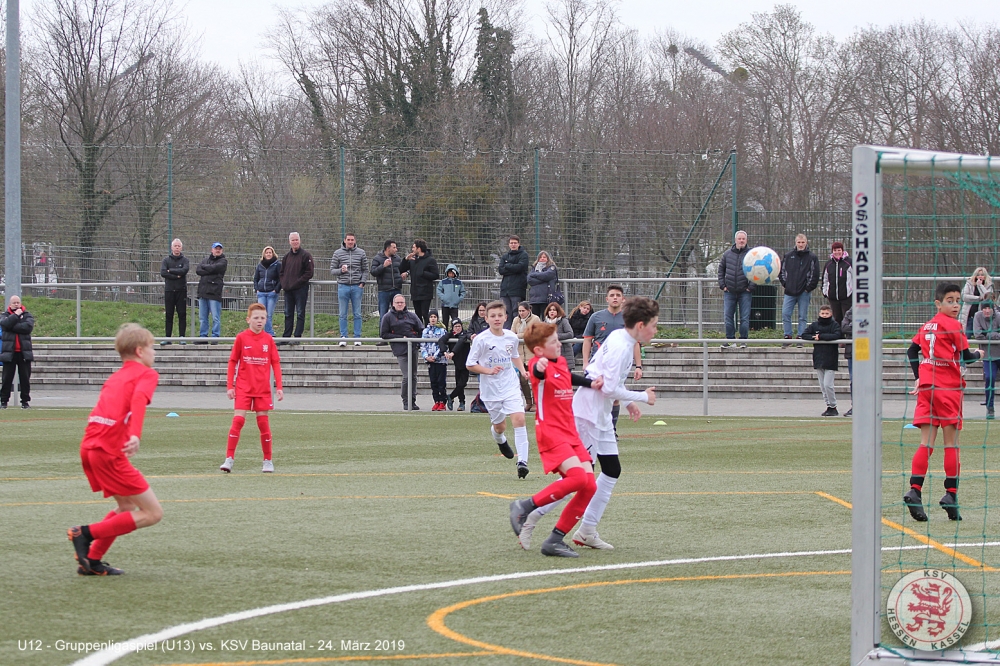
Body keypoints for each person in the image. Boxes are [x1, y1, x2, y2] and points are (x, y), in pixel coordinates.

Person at [528, 297, 659, 550]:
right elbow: (607, 387)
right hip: (588, 413)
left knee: (611, 470)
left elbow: (605, 376)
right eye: (654, 325)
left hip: (601, 414)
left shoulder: (620, 337)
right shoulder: (621, 347)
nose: (655, 330)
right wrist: (642, 397)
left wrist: (627, 402)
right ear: (641, 325)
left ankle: (587, 529)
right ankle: (533, 513)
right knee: (580, 477)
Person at [67, 324, 162, 576]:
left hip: (90, 448)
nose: (154, 352)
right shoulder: (146, 374)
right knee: (153, 513)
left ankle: (92, 560)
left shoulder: (115, 377)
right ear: (140, 351)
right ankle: (84, 533)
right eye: (152, 347)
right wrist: (135, 435)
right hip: (108, 451)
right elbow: (138, 400)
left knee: (127, 506)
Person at [508, 322, 603, 557]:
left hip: (570, 432)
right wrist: (540, 366)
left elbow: (567, 377)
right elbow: (538, 373)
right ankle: (525, 506)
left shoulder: (559, 361)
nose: (559, 344)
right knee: (577, 477)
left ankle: (555, 539)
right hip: (551, 432)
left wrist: (591, 383)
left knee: (589, 486)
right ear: (539, 350)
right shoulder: (536, 364)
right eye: (553, 342)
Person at [902, 283, 983, 523]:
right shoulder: (954, 325)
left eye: (958, 300)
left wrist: (918, 377)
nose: (955, 305)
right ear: (938, 303)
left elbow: (911, 351)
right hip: (947, 388)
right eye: (950, 300)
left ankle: (915, 490)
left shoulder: (927, 325)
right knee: (951, 445)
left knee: (926, 443)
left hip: (927, 387)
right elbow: (967, 357)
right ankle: (951, 494)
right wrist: (978, 354)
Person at [466, 300, 531, 477]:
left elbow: (514, 356)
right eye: (493, 316)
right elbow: (470, 364)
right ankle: (500, 439)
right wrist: (488, 370)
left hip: (510, 385)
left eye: (500, 315)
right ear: (486, 318)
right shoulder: (481, 340)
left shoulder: (511, 337)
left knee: (519, 419)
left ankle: (522, 462)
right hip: (491, 390)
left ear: (505, 317)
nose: (497, 318)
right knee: (500, 426)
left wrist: (523, 371)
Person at [220, 303, 284, 472]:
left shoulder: (268, 339)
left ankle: (267, 461)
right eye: (256, 318)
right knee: (238, 420)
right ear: (248, 319)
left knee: (263, 423)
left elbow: (276, 363)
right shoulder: (241, 338)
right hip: (243, 387)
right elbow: (232, 361)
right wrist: (230, 386)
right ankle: (229, 459)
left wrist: (279, 386)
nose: (259, 321)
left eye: (263, 318)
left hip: (262, 389)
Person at [582, 284, 644, 430]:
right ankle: (595, 427)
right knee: (596, 396)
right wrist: (585, 362)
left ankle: (611, 429)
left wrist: (638, 366)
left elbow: (635, 343)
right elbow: (587, 340)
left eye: (618, 295)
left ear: (623, 299)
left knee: (615, 397)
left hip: (619, 365)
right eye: (612, 295)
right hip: (598, 364)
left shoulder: (629, 319)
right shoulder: (596, 317)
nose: (615, 298)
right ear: (607, 299)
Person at [381, 294, 424, 410]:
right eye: (397, 302)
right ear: (393, 304)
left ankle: (412, 400)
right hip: (400, 350)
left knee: (413, 376)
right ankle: (406, 400)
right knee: (407, 376)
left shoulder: (412, 316)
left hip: (413, 348)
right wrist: (400, 337)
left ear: (405, 303)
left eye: (401, 302)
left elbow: (421, 329)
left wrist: (417, 342)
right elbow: (384, 334)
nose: (400, 304)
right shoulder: (387, 317)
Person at [801, 304, 842, 416]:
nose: (824, 315)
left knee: (828, 385)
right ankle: (828, 406)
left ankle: (833, 406)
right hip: (818, 357)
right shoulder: (815, 325)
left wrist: (821, 336)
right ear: (819, 314)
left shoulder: (834, 325)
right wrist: (814, 337)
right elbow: (804, 334)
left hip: (831, 358)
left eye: (827, 313)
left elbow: (837, 335)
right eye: (822, 313)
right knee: (823, 386)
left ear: (831, 314)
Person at [779, 233, 819, 346]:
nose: (801, 244)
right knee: (785, 314)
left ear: (806, 242)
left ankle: (801, 337)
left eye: (803, 242)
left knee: (802, 316)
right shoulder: (788, 256)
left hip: (804, 292)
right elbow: (781, 271)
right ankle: (788, 336)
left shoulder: (812, 257)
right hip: (789, 292)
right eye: (799, 242)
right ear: (795, 243)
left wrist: (808, 288)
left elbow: (815, 274)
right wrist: (786, 284)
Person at [717, 230, 753, 349]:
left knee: (744, 318)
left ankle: (743, 340)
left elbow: (757, 270)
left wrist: (751, 287)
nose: (741, 241)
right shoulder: (727, 254)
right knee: (728, 317)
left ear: (746, 240)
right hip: (729, 291)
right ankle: (730, 339)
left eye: (743, 239)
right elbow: (721, 270)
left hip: (745, 292)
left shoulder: (751, 254)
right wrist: (723, 285)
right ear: (735, 240)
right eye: (739, 239)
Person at [331, 232, 368, 346]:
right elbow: (332, 270)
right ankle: (343, 337)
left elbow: (365, 270)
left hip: (357, 286)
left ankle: (357, 337)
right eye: (348, 240)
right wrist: (341, 271)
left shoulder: (361, 253)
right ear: (345, 240)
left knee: (357, 313)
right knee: (342, 314)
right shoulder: (337, 253)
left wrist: (362, 282)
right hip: (343, 286)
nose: (350, 242)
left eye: (352, 240)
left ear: (355, 241)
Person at [279, 232, 315, 342]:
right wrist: (284, 283)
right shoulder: (286, 257)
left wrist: (298, 282)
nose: (295, 242)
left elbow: (309, 273)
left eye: (296, 240)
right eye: (293, 240)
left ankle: (297, 337)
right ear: (289, 242)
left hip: (301, 289)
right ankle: (286, 337)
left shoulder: (306, 255)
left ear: (300, 240)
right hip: (288, 290)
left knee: (300, 313)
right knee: (288, 313)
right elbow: (281, 273)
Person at [0, 295, 34, 409]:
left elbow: (27, 327)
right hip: (9, 353)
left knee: (25, 379)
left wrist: (12, 326)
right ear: (10, 304)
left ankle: (25, 402)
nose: (16, 304)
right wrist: (15, 316)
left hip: (24, 353)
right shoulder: (5, 315)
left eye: (18, 302)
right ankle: (3, 401)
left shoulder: (27, 315)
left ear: (20, 303)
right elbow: (4, 324)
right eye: (14, 302)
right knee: (6, 379)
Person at [399, 239, 440, 325]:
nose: (412, 249)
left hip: (425, 292)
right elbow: (401, 269)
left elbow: (435, 275)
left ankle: (428, 330)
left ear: (419, 248)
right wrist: (406, 259)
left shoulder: (430, 260)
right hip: (415, 292)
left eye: (414, 247)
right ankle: (420, 331)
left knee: (425, 314)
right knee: (417, 315)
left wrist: (423, 273)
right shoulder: (413, 260)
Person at [510, 301, 541, 412]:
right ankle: (528, 402)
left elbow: (531, 334)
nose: (521, 313)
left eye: (523, 311)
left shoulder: (535, 319)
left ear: (529, 310)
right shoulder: (516, 320)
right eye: (519, 311)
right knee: (523, 380)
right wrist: (518, 336)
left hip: (532, 354)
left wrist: (517, 336)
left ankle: (536, 403)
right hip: (520, 355)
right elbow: (511, 333)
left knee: (534, 380)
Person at [973, 301, 1000, 419]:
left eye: (989, 308)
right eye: (985, 308)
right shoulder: (978, 316)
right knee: (989, 378)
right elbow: (978, 335)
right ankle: (990, 408)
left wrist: (988, 334)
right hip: (988, 355)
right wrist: (995, 334)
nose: (987, 311)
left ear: (993, 309)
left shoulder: (999, 316)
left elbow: (984, 334)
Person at [196, 242, 227, 342]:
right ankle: (203, 336)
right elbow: (198, 270)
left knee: (215, 317)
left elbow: (216, 268)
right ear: (212, 250)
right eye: (216, 248)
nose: (218, 250)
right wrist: (210, 269)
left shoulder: (223, 261)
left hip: (214, 292)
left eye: (219, 249)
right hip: (203, 291)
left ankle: (215, 337)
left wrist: (206, 268)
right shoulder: (205, 260)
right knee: (203, 317)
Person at [160, 238, 189, 344]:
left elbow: (184, 270)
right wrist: (176, 276)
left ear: (181, 248)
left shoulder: (185, 260)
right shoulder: (166, 260)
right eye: (175, 246)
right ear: (171, 247)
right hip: (169, 290)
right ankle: (168, 338)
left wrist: (171, 270)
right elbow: (163, 273)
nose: (177, 248)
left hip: (181, 290)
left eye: (178, 246)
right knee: (169, 314)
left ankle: (182, 337)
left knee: (182, 314)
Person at [440, 318, 472, 411]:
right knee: (458, 383)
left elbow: (461, 342)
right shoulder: (450, 334)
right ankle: (461, 402)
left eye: (459, 326)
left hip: (465, 363)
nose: (458, 328)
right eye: (455, 326)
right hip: (457, 363)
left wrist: (452, 353)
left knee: (462, 383)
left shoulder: (464, 334)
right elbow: (441, 341)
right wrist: (444, 352)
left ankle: (451, 396)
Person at [497, 235, 529, 328]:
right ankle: (506, 332)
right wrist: (513, 268)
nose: (513, 244)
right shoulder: (505, 256)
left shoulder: (523, 255)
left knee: (516, 312)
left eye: (515, 243)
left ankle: (516, 332)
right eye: (511, 243)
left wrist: (507, 265)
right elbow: (501, 270)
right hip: (505, 290)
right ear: (509, 244)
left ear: (519, 244)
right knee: (506, 313)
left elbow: (520, 267)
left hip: (517, 289)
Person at [370, 239, 405, 320]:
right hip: (384, 291)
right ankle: (383, 328)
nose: (396, 249)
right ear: (388, 248)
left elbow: (402, 269)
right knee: (383, 316)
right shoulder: (378, 258)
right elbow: (373, 272)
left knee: (398, 315)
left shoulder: (397, 258)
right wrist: (383, 266)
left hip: (396, 289)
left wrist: (405, 273)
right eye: (394, 247)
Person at [421, 310, 449, 411]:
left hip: (440, 361)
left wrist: (435, 356)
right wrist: (426, 356)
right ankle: (436, 401)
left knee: (441, 382)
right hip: (430, 361)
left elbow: (443, 345)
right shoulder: (425, 331)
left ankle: (442, 402)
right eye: (431, 317)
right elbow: (423, 345)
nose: (433, 319)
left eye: (435, 317)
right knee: (433, 382)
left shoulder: (442, 331)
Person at [821, 241, 853, 323]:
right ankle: (838, 332)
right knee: (837, 320)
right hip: (833, 298)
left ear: (842, 251)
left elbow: (856, 278)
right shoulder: (828, 264)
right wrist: (825, 292)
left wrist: (852, 291)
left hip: (847, 297)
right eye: (835, 250)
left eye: (839, 250)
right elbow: (825, 279)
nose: (837, 252)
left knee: (847, 319)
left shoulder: (849, 263)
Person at [254, 246, 281, 336]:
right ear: (264, 254)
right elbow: (256, 278)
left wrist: (276, 290)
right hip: (261, 293)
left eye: (270, 252)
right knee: (261, 314)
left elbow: (280, 279)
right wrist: (257, 289)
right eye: (267, 252)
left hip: (271, 293)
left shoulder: (277, 264)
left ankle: (269, 333)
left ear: (273, 254)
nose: (268, 254)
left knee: (269, 314)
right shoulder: (260, 265)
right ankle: (264, 333)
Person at [961, 268, 993, 338]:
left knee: (982, 338)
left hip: (982, 318)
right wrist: (978, 298)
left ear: (985, 276)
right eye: (978, 275)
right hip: (969, 316)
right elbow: (964, 297)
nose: (980, 276)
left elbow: (988, 298)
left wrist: (980, 286)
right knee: (966, 337)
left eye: (982, 275)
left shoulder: (989, 286)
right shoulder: (969, 283)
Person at [527, 251, 559, 318]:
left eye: (544, 257)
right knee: (535, 320)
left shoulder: (552, 268)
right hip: (534, 299)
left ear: (548, 258)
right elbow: (529, 279)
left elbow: (547, 275)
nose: (542, 258)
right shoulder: (534, 268)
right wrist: (544, 280)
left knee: (546, 319)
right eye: (540, 257)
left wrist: (535, 275)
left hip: (546, 299)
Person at [544, 302, 576, 370]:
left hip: (564, 353)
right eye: (550, 310)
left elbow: (570, 334)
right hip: (550, 354)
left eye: (554, 310)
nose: (552, 312)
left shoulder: (563, 321)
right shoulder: (545, 323)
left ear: (558, 311)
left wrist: (555, 336)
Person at [437, 264, 466, 328]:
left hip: (454, 306)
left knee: (455, 321)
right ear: (447, 273)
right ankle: (445, 332)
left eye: (452, 273)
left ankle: (454, 332)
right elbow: (439, 290)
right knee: (445, 322)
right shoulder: (443, 282)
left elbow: (463, 292)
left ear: (455, 273)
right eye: (449, 273)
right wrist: (443, 298)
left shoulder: (459, 283)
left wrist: (458, 299)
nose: (451, 275)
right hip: (445, 306)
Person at [841, 306, 853, 417]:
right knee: (853, 381)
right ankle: (855, 406)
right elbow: (844, 328)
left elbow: (870, 328)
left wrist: (852, 326)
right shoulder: (850, 312)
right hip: (851, 351)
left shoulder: (871, 310)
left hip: (867, 352)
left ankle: (868, 406)